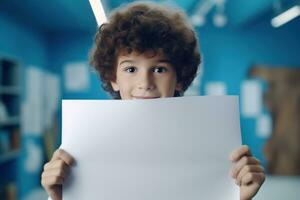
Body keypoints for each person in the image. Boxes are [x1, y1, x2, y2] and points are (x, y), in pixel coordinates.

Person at [41, 2, 265, 200]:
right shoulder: (83, 143)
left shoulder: (210, 142)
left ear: (180, 78)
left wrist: (238, 197)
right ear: (113, 78)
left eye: (159, 69)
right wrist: (59, 197)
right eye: (130, 68)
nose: (145, 82)